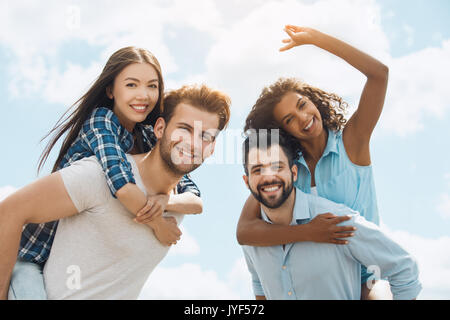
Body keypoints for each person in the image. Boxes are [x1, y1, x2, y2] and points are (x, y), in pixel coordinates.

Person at [0, 84, 231, 300]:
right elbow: (8, 212)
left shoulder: (176, 202)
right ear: (160, 128)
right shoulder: (97, 176)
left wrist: (167, 201)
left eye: (205, 136)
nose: (193, 143)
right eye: (185, 129)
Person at [237, 25, 390, 298]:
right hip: (317, 281)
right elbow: (246, 232)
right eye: (289, 119)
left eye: (302, 104)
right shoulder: (288, 171)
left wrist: (316, 40)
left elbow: (379, 74)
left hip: (367, 277)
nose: (303, 118)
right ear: (284, 131)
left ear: (313, 100)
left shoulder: (352, 143)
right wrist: (308, 232)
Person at [240, 130, 421, 300]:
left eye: (277, 167)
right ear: (247, 181)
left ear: (293, 173)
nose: (268, 177)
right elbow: (259, 285)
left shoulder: (336, 221)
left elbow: (404, 269)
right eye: (257, 170)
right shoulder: (252, 243)